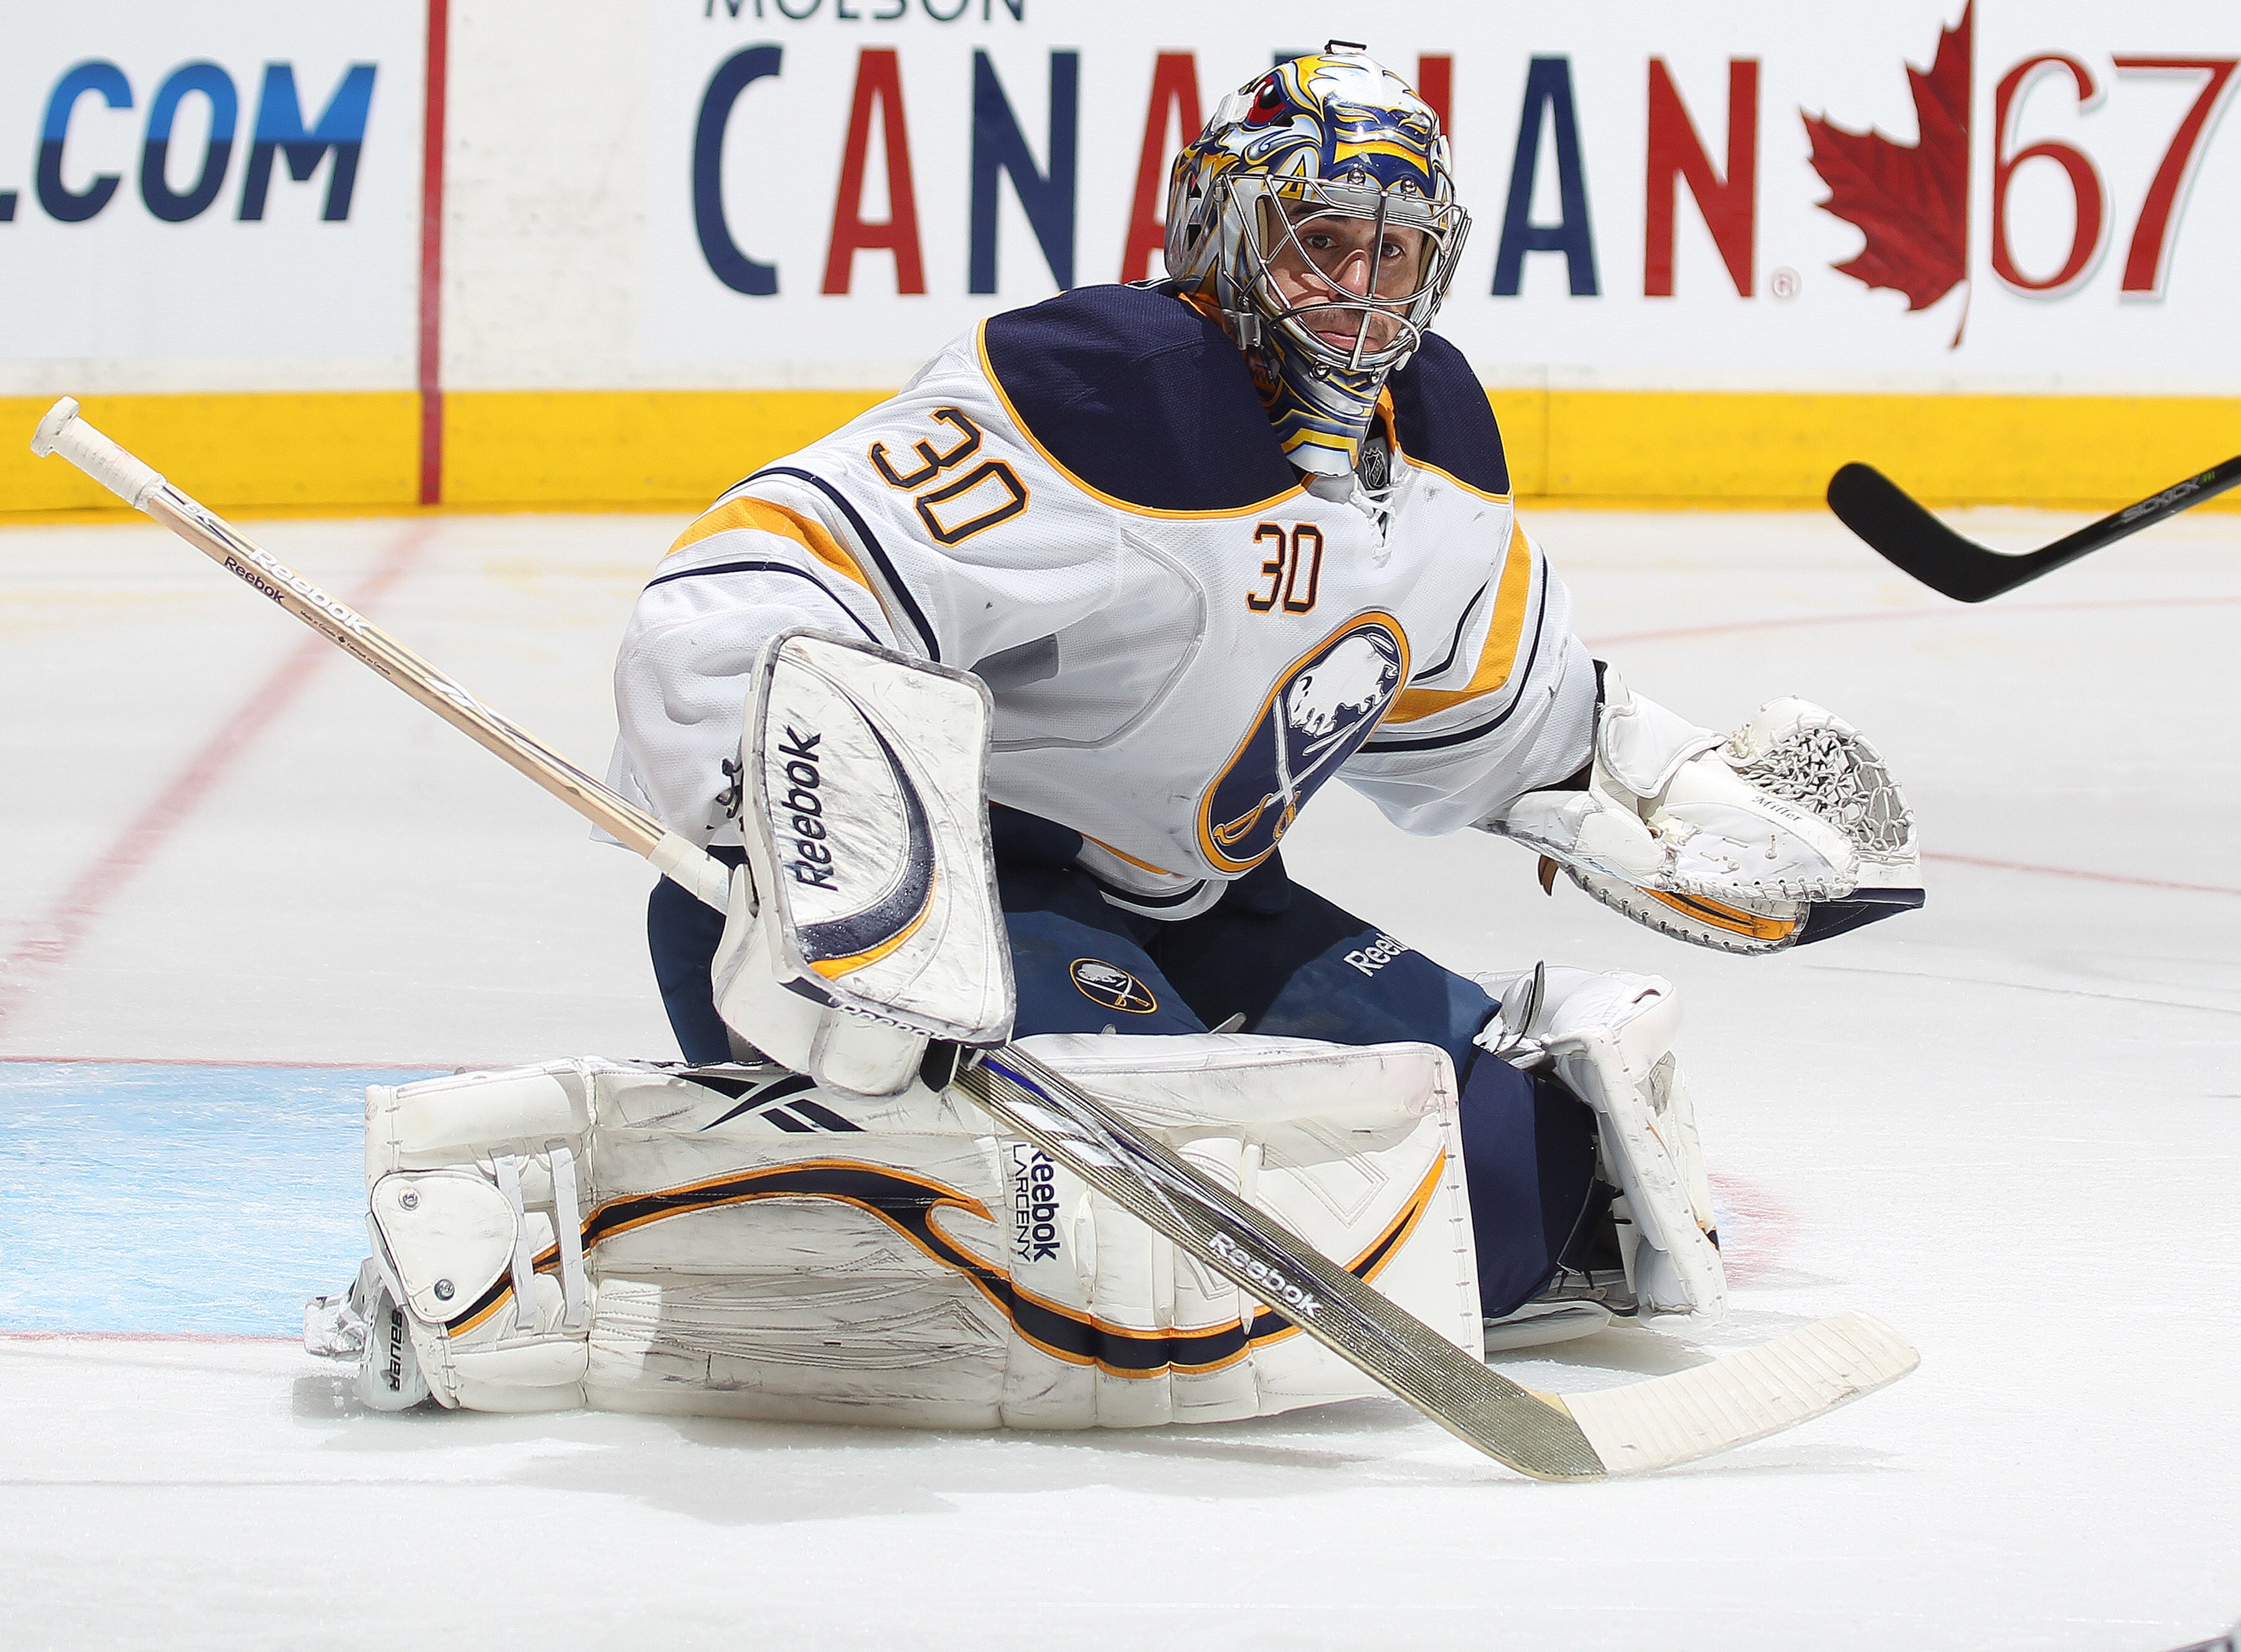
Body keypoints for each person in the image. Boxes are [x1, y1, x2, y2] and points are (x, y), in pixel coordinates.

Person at [601, 45, 1920, 1349]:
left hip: (1200, 908)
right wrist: (813, 850)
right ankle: (741, 1207)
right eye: (1320, 239)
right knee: (1192, 1185)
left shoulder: (1436, 450)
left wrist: (1665, 797)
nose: (1357, 293)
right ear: (1218, 232)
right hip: (901, 925)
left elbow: (1509, 716)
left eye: (1393, 255)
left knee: (1522, 1193)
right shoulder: (1113, 395)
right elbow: (753, 584)